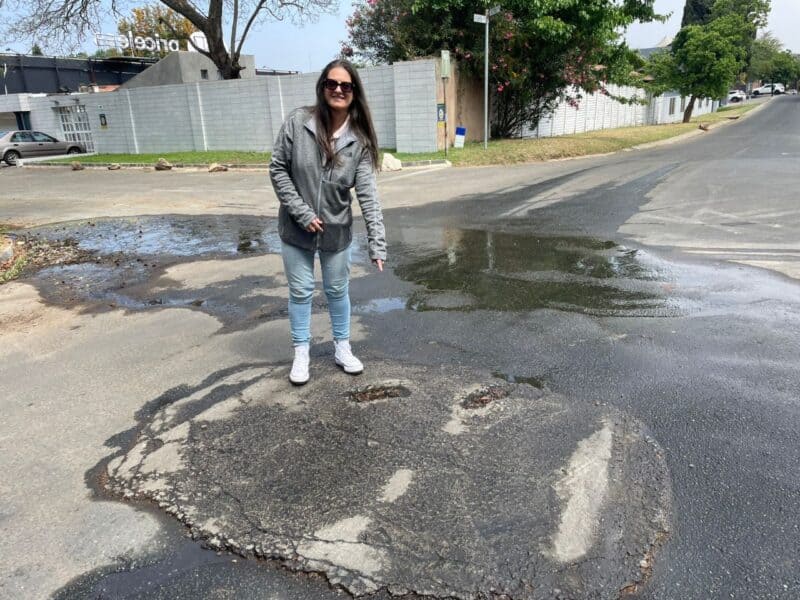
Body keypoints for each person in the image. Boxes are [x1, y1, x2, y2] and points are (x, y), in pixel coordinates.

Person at [269, 59, 386, 385]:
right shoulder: (298, 122)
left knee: (337, 290)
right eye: (332, 84)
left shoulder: (358, 141)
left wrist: (377, 242)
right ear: (322, 87)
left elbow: (368, 195)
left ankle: (342, 348)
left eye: (345, 86)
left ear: (353, 93)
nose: (338, 89)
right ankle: (302, 353)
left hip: (336, 231)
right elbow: (277, 169)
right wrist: (302, 213)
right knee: (301, 291)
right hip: (296, 228)